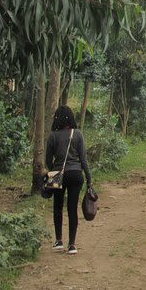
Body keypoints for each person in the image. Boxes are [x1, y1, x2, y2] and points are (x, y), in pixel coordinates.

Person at [45, 106, 92, 255]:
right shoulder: (77, 134)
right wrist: (89, 179)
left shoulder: (53, 136)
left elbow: (48, 159)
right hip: (76, 174)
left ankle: (59, 241)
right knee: (72, 209)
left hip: (59, 174)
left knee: (57, 207)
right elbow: (83, 159)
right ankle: (72, 244)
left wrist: (55, 171)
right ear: (71, 118)